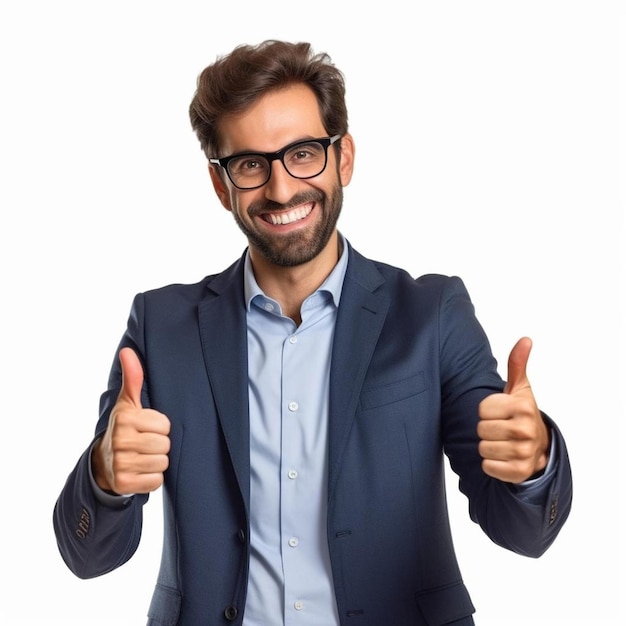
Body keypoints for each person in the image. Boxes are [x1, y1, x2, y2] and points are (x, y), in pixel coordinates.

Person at [53, 40, 573, 626]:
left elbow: (524, 532)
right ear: (222, 185)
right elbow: (87, 555)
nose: (280, 189)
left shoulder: (430, 316)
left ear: (343, 157)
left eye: (303, 153)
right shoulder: (160, 327)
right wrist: (105, 477)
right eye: (251, 164)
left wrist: (533, 465)